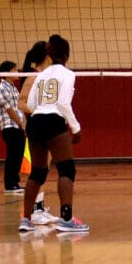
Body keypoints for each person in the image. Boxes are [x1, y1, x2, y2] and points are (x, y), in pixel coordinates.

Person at [22, 34, 88, 233]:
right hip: (53, 121)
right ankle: (66, 219)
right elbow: (63, 104)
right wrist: (76, 129)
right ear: (66, 55)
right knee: (67, 170)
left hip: (35, 122)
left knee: (38, 172)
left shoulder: (40, 75)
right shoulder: (67, 74)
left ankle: (25, 219)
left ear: (49, 54)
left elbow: (31, 105)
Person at [15, 42, 58, 227]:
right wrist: (40, 111)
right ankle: (33, 211)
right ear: (47, 57)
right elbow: (21, 103)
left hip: (47, 127)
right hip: (38, 128)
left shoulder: (46, 76)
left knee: (44, 170)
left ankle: (39, 208)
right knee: (38, 171)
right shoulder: (34, 77)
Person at [0, 60, 26, 194]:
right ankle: (9, 185)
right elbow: (9, 110)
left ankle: (15, 183)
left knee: (18, 155)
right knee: (13, 155)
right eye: (14, 70)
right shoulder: (2, 88)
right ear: (7, 73)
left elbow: (18, 108)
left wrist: (24, 124)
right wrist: (20, 123)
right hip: (10, 126)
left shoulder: (13, 88)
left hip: (18, 126)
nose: (17, 72)